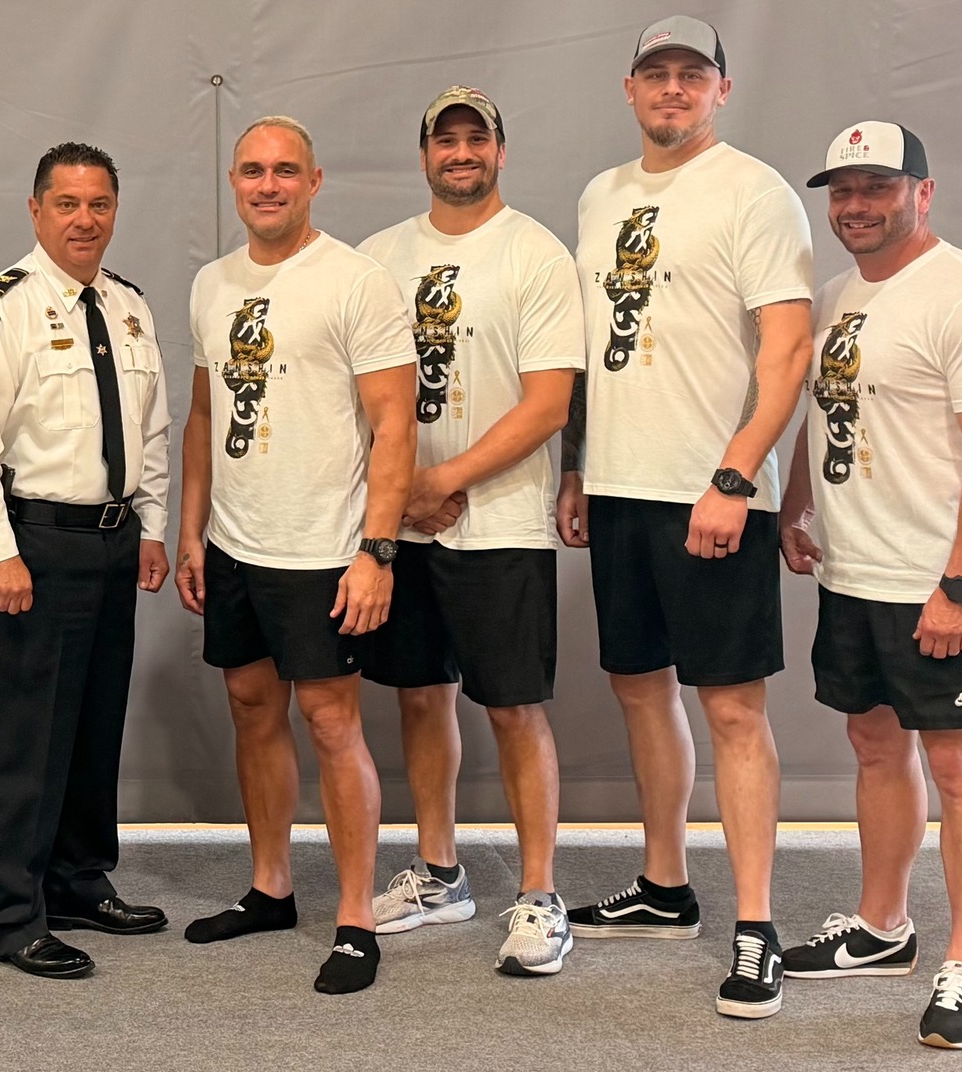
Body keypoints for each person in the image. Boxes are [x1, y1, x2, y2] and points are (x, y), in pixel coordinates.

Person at [557, 15, 816, 1019]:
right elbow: (592, 346)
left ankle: (755, 926)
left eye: (690, 75)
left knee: (731, 710)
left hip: (712, 490)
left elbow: (785, 352)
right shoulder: (599, 196)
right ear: (628, 89)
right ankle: (664, 883)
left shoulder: (752, 192)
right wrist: (579, 466)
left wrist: (735, 477)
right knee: (636, 686)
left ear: (720, 88)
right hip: (621, 487)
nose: (672, 89)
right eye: (654, 74)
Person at [776, 123, 962, 1050]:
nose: (856, 206)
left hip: (941, 581)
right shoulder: (839, 295)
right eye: (842, 190)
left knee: (959, 768)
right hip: (858, 570)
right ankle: (884, 927)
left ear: (924, 192)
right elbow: (824, 410)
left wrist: (960, 586)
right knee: (875, 745)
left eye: (877, 186)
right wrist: (796, 506)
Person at [174, 116, 417, 995]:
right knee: (249, 704)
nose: (267, 184)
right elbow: (204, 413)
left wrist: (376, 551)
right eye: (251, 171)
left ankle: (355, 918)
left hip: (323, 547)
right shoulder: (210, 284)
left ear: (315, 181)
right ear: (233, 183)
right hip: (238, 542)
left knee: (330, 721)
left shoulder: (356, 280)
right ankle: (271, 886)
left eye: (285, 171)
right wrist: (192, 529)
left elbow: (396, 424)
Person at [354, 87, 582, 975]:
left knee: (515, 708)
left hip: (502, 519)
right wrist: (400, 493)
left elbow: (550, 401)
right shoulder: (380, 258)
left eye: (474, 138)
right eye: (443, 140)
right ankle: (442, 870)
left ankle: (537, 893)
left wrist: (442, 479)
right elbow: (360, 395)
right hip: (400, 527)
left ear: (499, 151)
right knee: (419, 693)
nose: (459, 152)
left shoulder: (534, 254)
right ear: (423, 156)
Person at [0, 141, 171, 980]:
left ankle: (77, 879)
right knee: (26, 733)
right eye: (67, 204)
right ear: (36, 210)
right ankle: (8, 910)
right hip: (29, 544)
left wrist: (151, 525)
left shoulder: (131, 307)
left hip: (111, 543)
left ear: (116, 210)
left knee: (92, 723)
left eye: (99, 204)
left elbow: (149, 430)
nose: (85, 219)